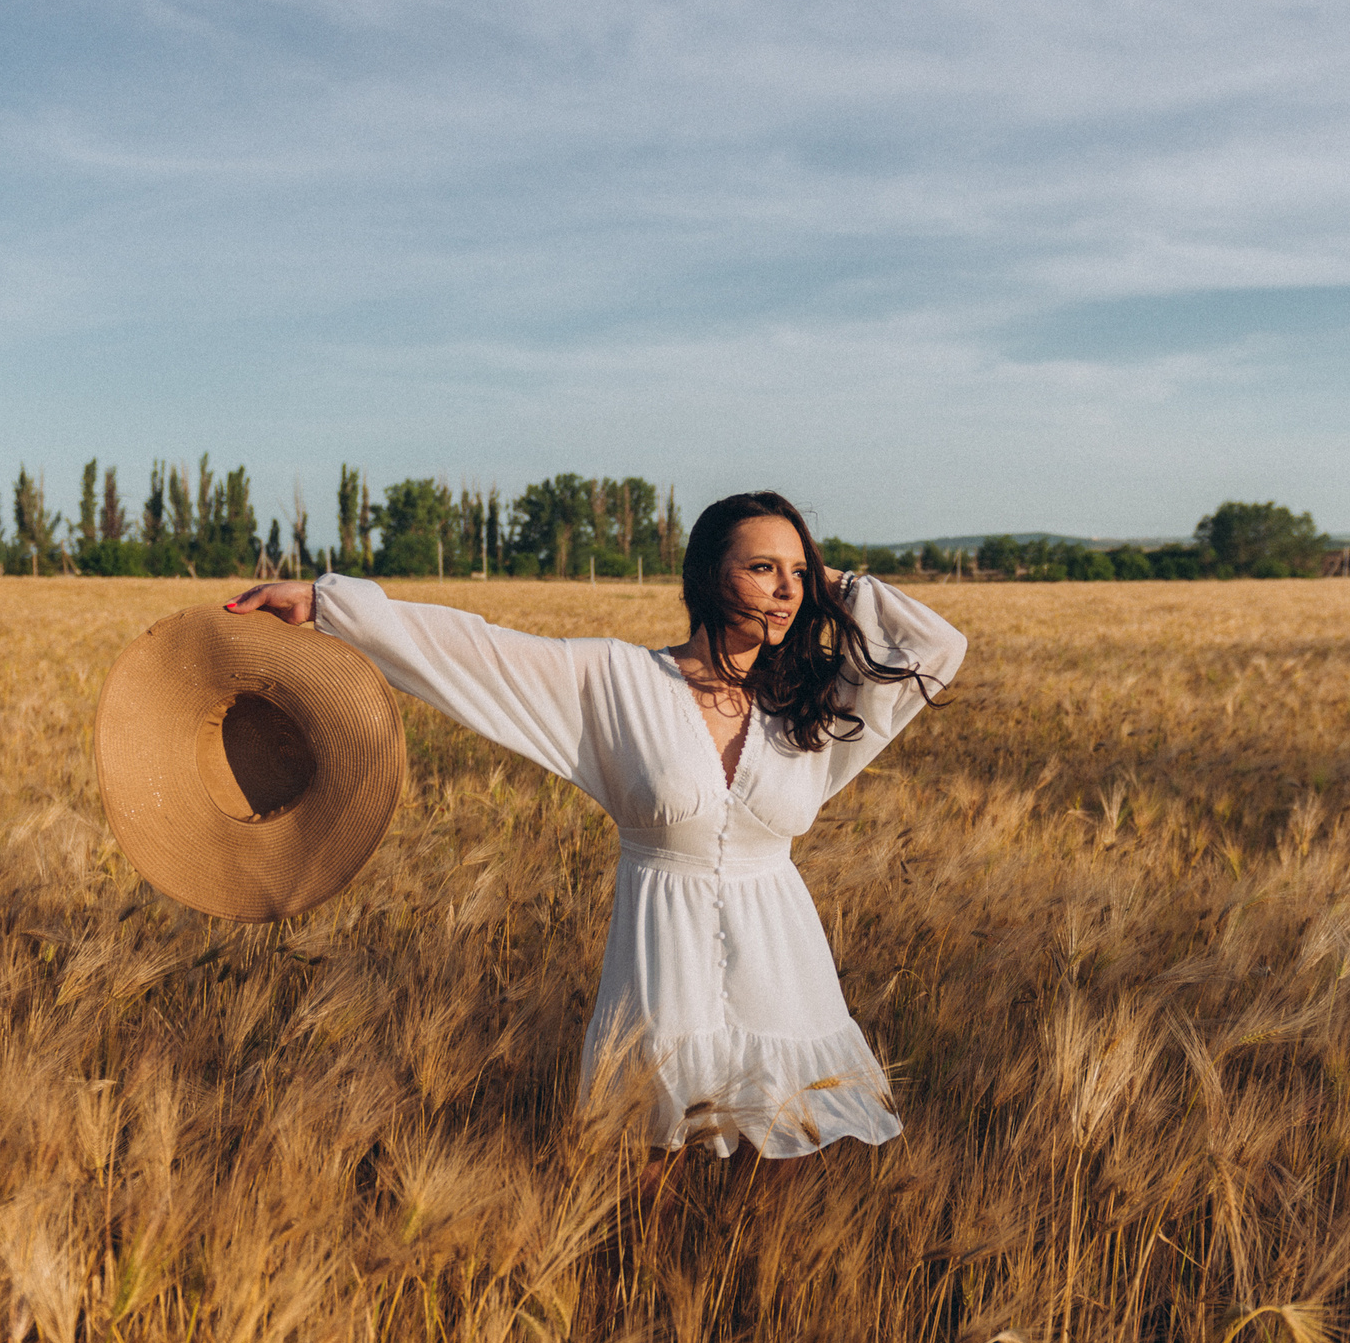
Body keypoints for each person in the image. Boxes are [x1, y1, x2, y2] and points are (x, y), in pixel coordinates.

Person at [226, 491, 966, 1164]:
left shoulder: (812, 705)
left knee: (770, 1184)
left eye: (797, 573)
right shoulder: (618, 682)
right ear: (708, 576)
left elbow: (938, 649)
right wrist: (328, 604)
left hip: (784, 970)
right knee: (652, 1177)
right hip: (660, 963)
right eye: (763, 568)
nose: (785, 590)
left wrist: (825, 579)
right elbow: (477, 651)